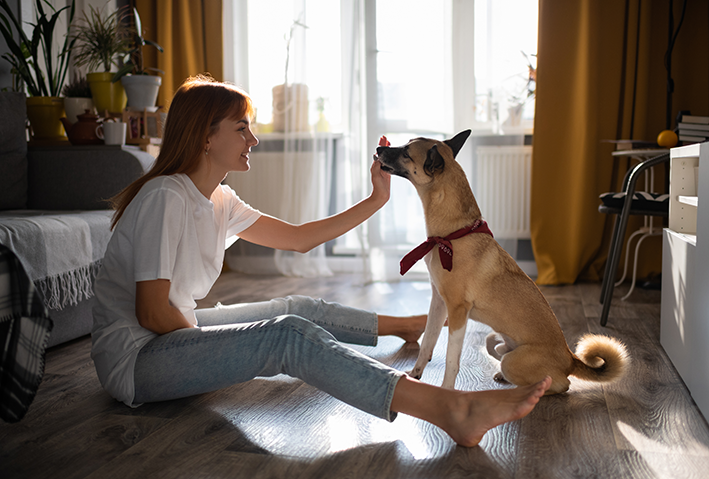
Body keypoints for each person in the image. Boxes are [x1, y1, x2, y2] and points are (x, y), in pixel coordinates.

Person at [90, 74, 551, 448]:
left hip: (172, 332)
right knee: (288, 335)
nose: (253, 138)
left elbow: (300, 240)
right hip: (138, 359)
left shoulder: (219, 200)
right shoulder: (164, 197)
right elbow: (151, 312)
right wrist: (216, 348)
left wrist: (376, 199)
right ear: (204, 138)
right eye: (241, 128)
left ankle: (406, 327)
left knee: (297, 308)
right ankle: (449, 408)